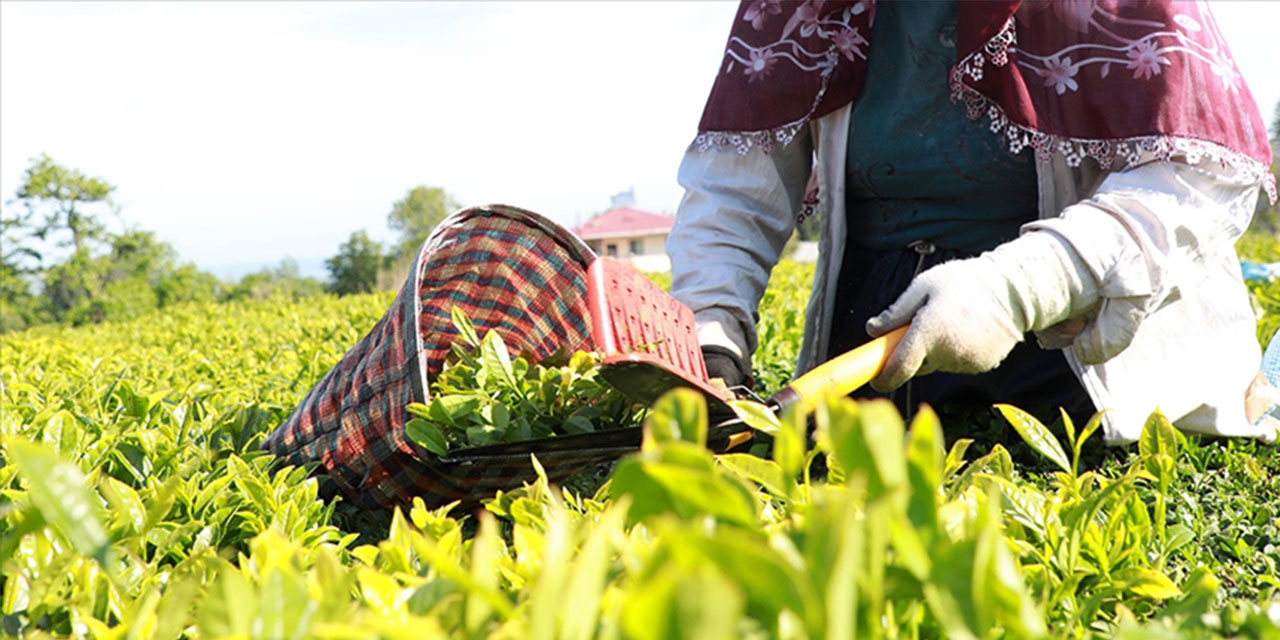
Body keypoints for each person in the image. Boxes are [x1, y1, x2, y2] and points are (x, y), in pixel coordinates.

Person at [666, 0, 1278, 443]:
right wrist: (711, 330)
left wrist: (1017, 289)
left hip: (1075, 348)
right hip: (878, 335)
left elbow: (1200, 180)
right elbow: (735, 184)